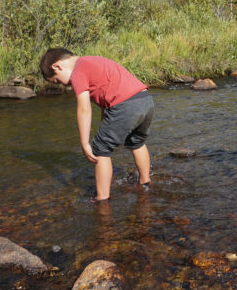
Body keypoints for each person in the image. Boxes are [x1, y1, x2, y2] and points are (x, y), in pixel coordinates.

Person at [39, 48, 154, 202]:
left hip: (125, 106)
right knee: (137, 142)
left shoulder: (78, 71)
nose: (61, 84)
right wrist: (106, 124)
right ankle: (145, 183)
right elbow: (107, 100)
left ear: (57, 66)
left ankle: (102, 198)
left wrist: (84, 142)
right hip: (145, 100)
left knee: (100, 149)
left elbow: (84, 109)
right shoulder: (93, 61)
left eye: (57, 80)